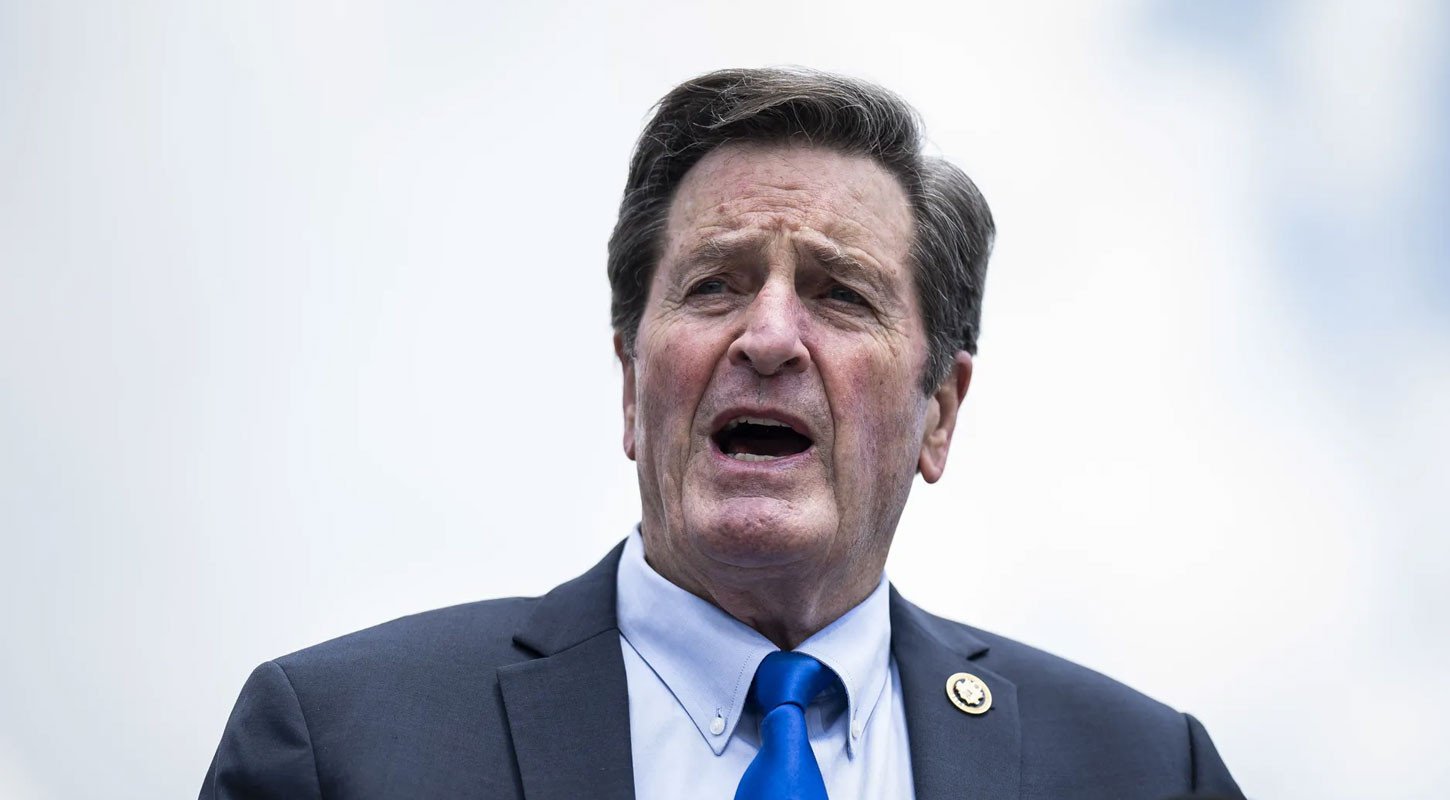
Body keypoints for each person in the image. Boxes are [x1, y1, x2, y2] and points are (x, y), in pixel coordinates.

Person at [200, 67, 1244, 800]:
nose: (770, 337)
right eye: (714, 285)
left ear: (939, 411)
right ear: (629, 382)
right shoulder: (340, 743)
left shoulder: (1148, 772)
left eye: (840, 294)